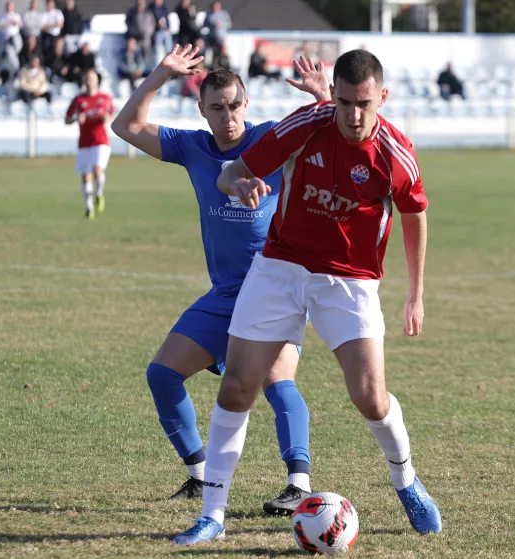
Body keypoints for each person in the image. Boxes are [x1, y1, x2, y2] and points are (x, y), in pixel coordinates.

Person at [172, 48, 443, 545]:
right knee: (237, 387)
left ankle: (406, 481)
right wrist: (239, 185)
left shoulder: (395, 153)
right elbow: (230, 172)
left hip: (349, 280)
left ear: (382, 97)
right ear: (332, 95)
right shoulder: (307, 123)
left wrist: (416, 293)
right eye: (344, 102)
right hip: (280, 267)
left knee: (370, 397)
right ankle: (212, 516)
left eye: (364, 104)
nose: (353, 115)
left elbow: (415, 214)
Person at [110, 44, 330, 512]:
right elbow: (124, 126)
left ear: (246, 104)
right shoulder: (192, 147)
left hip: (275, 288)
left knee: (277, 380)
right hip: (226, 294)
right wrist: (160, 75)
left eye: (234, 106)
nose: (228, 117)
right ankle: (199, 473)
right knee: (162, 374)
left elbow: (333, 135)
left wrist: (322, 96)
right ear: (202, 110)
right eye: (217, 108)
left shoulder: (270, 139)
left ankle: (299, 484)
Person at [65, 69, 113, 219]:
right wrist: (76, 119)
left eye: (92, 78)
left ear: (97, 80)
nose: (89, 81)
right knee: (86, 176)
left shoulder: (105, 98)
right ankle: (89, 207)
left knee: (97, 169)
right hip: (84, 143)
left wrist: (107, 118)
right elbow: (67, 119)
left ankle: (99, 194)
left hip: (101, 141)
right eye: (87, 78)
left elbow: (112, 114)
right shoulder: (78, 100)